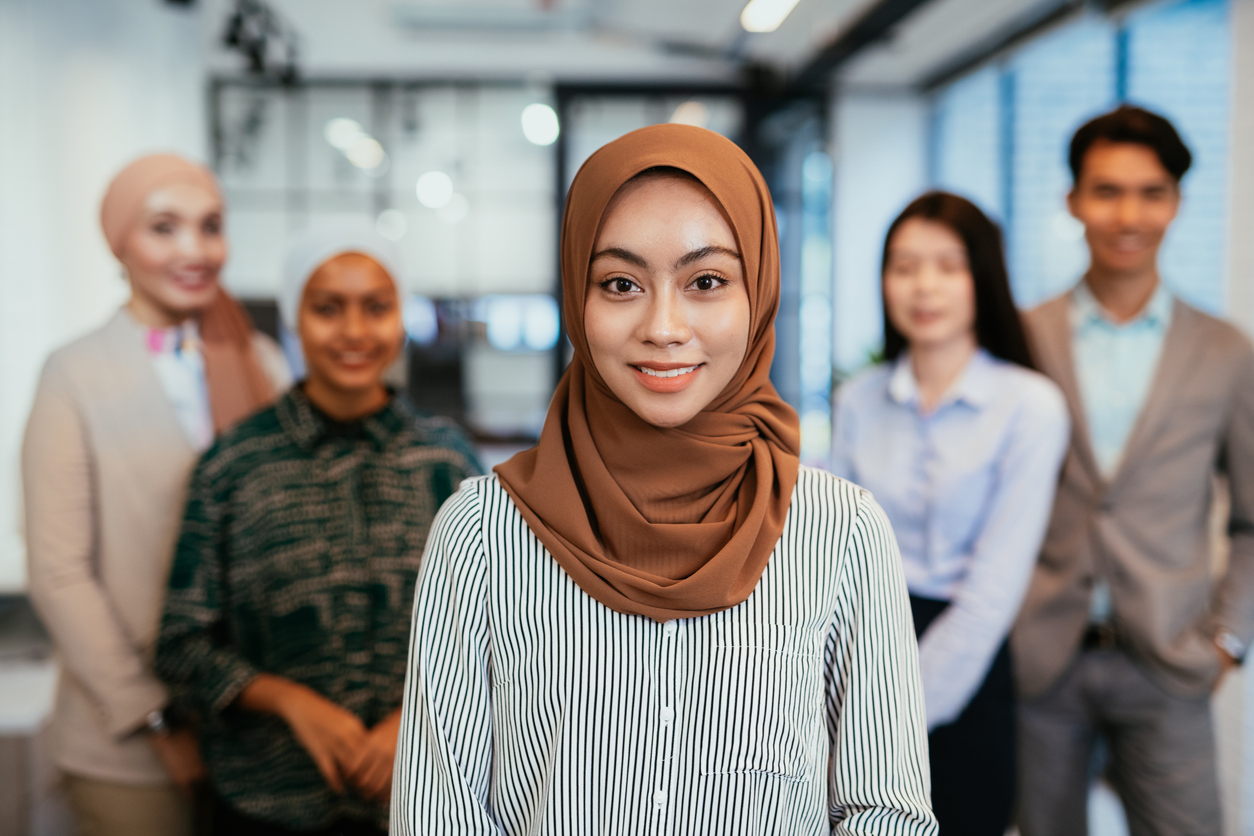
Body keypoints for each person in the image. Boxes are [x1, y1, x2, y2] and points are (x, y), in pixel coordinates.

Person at [390, 124, 936, 835]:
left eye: (706, 281)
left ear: (759, 293)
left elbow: (884, 810)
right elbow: (439, 814)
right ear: (578, 303)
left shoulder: (841, 532)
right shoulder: (482, 534)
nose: (664, 325)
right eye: (621, 284)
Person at [155, 220, 482, 836]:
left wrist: (414, 722)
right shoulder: (233, 467)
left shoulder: (449, 464)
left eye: (377, 307)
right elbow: (181, 643)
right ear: (294, 319)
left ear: (400, 318)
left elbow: (499, 631)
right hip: (267, 800)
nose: (355, 331)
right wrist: (291, 703)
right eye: (328, 308)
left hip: (421, 797)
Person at [22, 153, 290, 836]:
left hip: (259, 730)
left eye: (211, 226)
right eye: (164, 228)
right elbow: (58, 570)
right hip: (128, 740)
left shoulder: (259, 360)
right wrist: (153, 716)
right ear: (119, 241)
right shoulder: (73, 374)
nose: (194, 250)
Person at [1013, 105, 1254, 836]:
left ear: (1177, 202)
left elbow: (1251, 518)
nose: (1128, 214)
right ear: (1074, 201)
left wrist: (1229, 642)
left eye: (1151, 192)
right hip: (1041, 661)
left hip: (1169, 661)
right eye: (1107, 190)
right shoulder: (1023, 337)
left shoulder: (1224, 351)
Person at [830, 191, 1068, 834]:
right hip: (860, 642)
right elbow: (828, 553)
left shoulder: (1030, 406)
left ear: (982, 278)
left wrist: (885, 717)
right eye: (904, 267)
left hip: (966, 667)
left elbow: (992, 592)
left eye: (947, 265)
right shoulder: (858, 399)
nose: (923, 287)